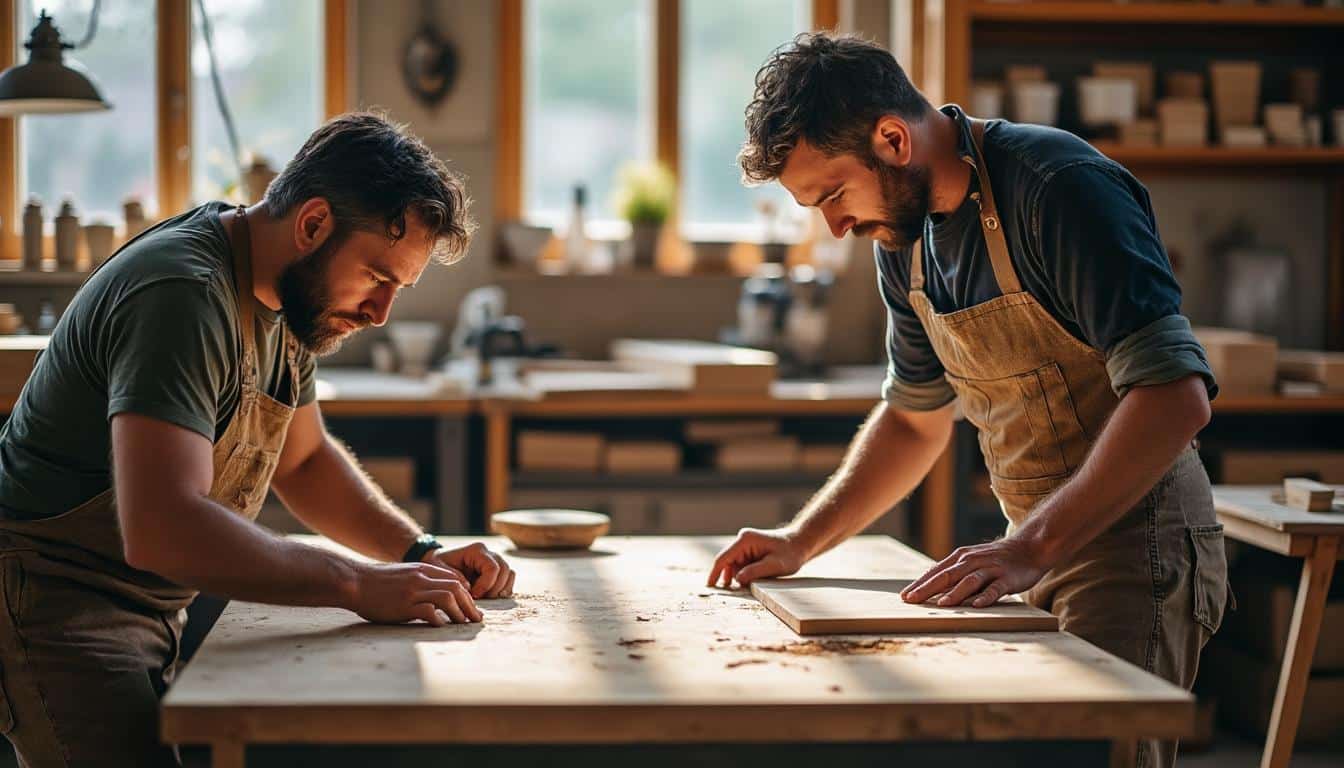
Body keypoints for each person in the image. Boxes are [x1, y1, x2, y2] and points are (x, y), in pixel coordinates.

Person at [709, 34, 1228, 768]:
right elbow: (915, 421)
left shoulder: (1060, 188)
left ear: (893, 139)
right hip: (1031, 546)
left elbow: (1174, 398)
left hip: (1135, 543)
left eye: (832, 195)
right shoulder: (905, 241)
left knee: (1103, 756)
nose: (835, 226)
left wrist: (1030, 547)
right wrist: (801, 541)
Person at [0, 112, 514, 767]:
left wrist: (418, 553)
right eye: (378, 279)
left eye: (397, 291)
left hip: (150, 599)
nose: (380, 313)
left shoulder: (288, 297)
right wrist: (358, 583)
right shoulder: (182, 294)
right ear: (312, 224)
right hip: (56, 601)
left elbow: (303, 461)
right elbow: (162, 526)